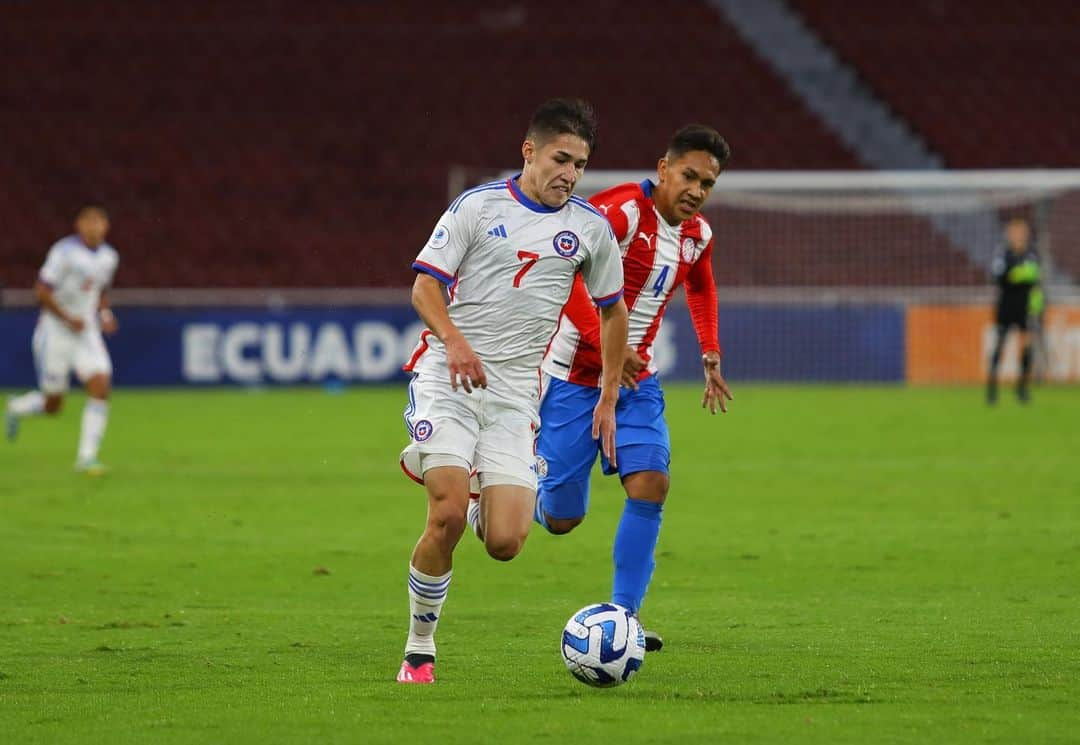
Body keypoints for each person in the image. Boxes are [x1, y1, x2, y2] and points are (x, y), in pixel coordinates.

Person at [395, 98, 629, 684]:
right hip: (448, 377)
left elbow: (613, 310)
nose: (570, 174)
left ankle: (483, 496)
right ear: (529, 151)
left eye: (579, 164)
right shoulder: (478, 208)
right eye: (560, 159)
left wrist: (606, 395)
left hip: (517, 396)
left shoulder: (589, 229)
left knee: (505, 541)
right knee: (444, 513)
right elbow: (424, 288)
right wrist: (453, 340)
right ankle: (420, 647)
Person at [529, 125, 733, 651]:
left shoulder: (697, 235)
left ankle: (624, 617)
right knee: (562, 518)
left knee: (651, 483)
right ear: (663, 168)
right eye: (689, 175)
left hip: (637, 382)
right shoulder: (619, 212)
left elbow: (702, 280)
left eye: (707, 183)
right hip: (575, 376)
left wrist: (710, 349)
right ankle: (519, 492)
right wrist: (608, 348)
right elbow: (567, 274)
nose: (696, 190)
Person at [5, 205, 119, 474]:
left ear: (106, 226)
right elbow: (42, 291)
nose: (94, 227)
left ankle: (87, 457)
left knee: (101, 385)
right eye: (88, 222)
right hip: (55, 332)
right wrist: (67, 318)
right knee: (53, 404)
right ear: (78, 225)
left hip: (86, 331)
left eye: (99, 222)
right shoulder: (64, 252)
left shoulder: (109, 257)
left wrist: (104, 313)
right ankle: (16, 406)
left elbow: (99, 289)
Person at [987, 217, 1041, 404]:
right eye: (1015, 231)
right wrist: (1017, 275)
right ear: (1009, 234)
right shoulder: (1004, 254)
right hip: (1006, 306)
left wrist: (1037, 304)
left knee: (1026, 345)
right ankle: (992, 388)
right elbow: (997, 277)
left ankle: (1022, 389)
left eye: (1021, 231)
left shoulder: (1032, 254)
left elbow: (1036, 281)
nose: (1018, 235)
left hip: (1025, 307)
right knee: (1000, 344)